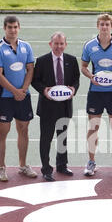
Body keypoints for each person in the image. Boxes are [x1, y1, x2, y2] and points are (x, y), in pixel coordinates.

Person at [81, 13, 112, 177]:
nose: (104, 27)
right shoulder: (89, 45)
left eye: (107, 24)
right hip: (95, 92)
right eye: (102, 24)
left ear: (111, 26)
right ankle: (91, 161)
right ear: (98, 26)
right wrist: (91, 77)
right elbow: (84, 66)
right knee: (94, 127)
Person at [0, 15, 37, 182]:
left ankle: (23, 165)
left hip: (24, 96)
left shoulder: (26, 46)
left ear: (19, 28)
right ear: (5, 28)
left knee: (23, 130)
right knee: (3, 132)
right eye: (9, 27)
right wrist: (14, 91)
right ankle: (2, 167)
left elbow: (30, 69)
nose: (12, 30)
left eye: (15, 27)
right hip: (5, 97)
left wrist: (23, 90)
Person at [31, 32, 80, 181]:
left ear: (65, 44)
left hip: (64, 106)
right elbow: (35, 80)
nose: (58, 46)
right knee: (46, 139)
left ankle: (62, 165)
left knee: (62, 138)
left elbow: (76, 79)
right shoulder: (42, 61)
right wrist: (44, 90)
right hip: (47, 106)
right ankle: (46, 169)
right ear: (50, 44)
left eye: (61, 44)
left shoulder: (71, 60)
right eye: (56, 43)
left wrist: (73, 89)